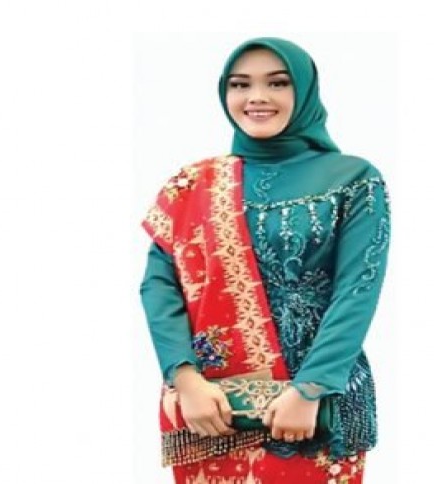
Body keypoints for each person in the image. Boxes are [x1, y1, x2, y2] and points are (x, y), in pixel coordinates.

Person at [139, 37, 391, 483]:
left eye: (277, 83)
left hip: (314, 406)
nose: (256, 97)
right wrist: (186, 381)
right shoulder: (192, 185)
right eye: (240, 84)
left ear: (304, 90)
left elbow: (358, 289)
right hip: (211, 406)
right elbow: (159, 287)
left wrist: (308, 390)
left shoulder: (354, 180)